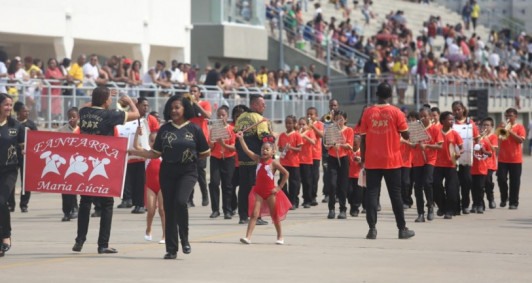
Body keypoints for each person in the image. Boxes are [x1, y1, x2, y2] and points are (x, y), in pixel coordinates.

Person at [129, 94, 210, 260]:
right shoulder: (164, 129)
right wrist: (136, 151)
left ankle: (185, 239)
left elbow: (205, 152)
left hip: (188, 172)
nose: (174, 110)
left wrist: (190, 157)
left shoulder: (194, 128)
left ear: (185, 109)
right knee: (169, 210)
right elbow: (155, 153)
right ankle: (171, 249)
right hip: (167, 172)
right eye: (171, 108)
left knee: (181, 202)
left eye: (177, 107)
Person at [72, 86, 140, 254]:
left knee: (85, 202)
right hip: (103, 163)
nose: (112, 101)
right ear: (105, 101)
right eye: (109, 98)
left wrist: (101, 97)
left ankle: (79, 241)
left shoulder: (85, 111)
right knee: (107, 203)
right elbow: (136, 114)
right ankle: (103, 244)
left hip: (85, 163)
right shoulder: (110, 115)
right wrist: (130, 101)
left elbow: (87, 105)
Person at [359, 82, 415, 239]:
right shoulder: (396, 112)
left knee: (371, 194)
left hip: (372, 160)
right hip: (392, 160)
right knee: (396, 195)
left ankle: (372, 229)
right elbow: (405, 135)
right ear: (390, 95)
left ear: (376, 94)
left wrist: (363, 159)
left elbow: (363, 139)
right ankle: (402, 229)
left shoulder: (368, 113)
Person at [237, 132, 291, 245]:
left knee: (274, 215)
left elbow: (286, 174)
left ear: (273, 152)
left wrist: (279, 188)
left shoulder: (274, 163)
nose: (264, 151)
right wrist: (241, 139)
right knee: (254, 214)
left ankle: (280, 236)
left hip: (271, 192)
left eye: (267, 149)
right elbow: (247, 151)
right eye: (263, 149)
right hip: (258, 192)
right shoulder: (257, 159)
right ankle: (248, 237)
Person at [234, 95, 271, 225]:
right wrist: (272, 137)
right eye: (263, 104)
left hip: (243, 159)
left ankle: (242, 216)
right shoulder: (260, 119)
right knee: (257, 189)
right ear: (254, 104)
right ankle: (257, 216)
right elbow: (265, 138)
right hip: (256, 159)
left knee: (243, 188)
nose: (264, 106)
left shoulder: (240, 118)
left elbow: (236, 137)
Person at [0, 93, 25, 258]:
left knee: (1, 201)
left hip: (9, 170)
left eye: (10, 105)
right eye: (6, 105)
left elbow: (24, 146)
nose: (9, 108)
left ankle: (6, 235)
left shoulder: (16, 126)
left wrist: (24, 150)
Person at [132, 123, 165, 244]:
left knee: (162, 210)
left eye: (156, 141)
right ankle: (148, 229)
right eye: (151, 141)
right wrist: (137, 134)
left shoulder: (164, 154)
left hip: (162, 186)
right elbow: (136, 146)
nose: (153, 143)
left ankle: (164, 235)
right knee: (151, 211)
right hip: (150, 186)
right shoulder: (147, 154)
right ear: (149, 142)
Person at [410, 107, 442, 222]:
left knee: (428, 183)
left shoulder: (434, 129)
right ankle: (420, 213)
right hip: (418, 160)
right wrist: (414, 143)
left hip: (430, 160)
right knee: (417, 186)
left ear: (430, 117)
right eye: (421, 116)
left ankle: (430, 207)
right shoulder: (416, 128)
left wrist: (427, 146)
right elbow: (413, 145)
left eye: (425, 116)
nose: (422, 118)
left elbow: (440, 146)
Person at [7, 102, 37, 213]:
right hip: (12, 155)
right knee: (11, 180)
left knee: (25, 181)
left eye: (28, 111)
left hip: (26, 155)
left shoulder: (31, 124)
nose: (27, 113)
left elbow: (37, 139)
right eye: (24, 111)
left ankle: (24, 204)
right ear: (18, 112)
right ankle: (11, 204)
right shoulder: (12, 123)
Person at [433, 111, 463, 220]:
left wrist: (459, 152)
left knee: (451, 189)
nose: (452, 121)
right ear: (442, 121)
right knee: (436, 186)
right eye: (449, 119)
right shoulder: (436, 132)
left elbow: (461, 147)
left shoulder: (454, 133)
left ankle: (449, 211)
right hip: (437, 164)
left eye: (452, 119)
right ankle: (442, 206)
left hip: (451, 165)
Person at [208, 105, 236, 219]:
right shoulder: (214, 129)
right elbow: (210, 146)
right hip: (216, 158)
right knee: (214, 183)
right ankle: (215, 209)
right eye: (218, 115)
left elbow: (234, 147)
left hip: (228, 158)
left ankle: (227, 210)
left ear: (227, 116)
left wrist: (223, 144)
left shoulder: (232, 129)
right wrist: (212, 142)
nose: (220, 117)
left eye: (223, 115)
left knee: (228, 185)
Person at [452, 101, 479, 215]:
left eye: (459, 109)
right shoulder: (451, 122)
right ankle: (456, 206)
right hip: (454, 157)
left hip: (467, 158)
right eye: (455, 110)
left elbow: (477, 138)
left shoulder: (470, 123)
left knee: (466, 182)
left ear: (463, 109)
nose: (457, 111)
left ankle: (465, 205)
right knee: (455, 183)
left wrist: (473, 146)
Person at [325, 111, 353, 219]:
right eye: (336, 119)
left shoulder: (349, 130)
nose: (338, 121)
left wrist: (340, 144)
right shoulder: (331, 130)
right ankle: (331, 209)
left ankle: (342, 209)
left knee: (343, 185)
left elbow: (350, 146)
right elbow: (327, 146)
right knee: (332, 184)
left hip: (343, 159)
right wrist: (332, 145)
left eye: (341, 119)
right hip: (332, 158)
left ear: (345, 120)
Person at [497, 108, 525, 209]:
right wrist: (501, 130)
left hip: (515, 159)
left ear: (515, 117)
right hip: (502, 159)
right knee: (501, 179)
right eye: (506, 116)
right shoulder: (503, 127)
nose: (508, 118)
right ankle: (504, 197)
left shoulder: (520, 127)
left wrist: (510, 131)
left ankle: (513, 203)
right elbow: (499, 140)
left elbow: (520, 140)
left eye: (510, 116)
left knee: (515, 182)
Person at [188, 85, 212, 207]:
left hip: (202, 142)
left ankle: (205, 195)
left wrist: (195, 103)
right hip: (189, 141)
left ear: (199, 93)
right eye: (191, 91)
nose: (192, 93)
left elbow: (208, 115)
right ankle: (189, 199)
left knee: (200, 171)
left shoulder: (205, 103)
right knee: (189, 170)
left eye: (195, 91)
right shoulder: (187, 104)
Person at [57, 107, 80, 221]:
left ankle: (75, 208)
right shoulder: (62, 130)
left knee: (75, 187)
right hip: (65, 164)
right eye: (69, 117)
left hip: (78, 164)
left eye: (74, 117)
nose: (71, 119)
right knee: (65, 189)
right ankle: (66, 212)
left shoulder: (82, 130)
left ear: (78, 117)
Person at [278, 115, 303, 209]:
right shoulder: (282, 135)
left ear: (294, 124)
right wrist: (283, 148)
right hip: (284, 162)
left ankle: (294, 201)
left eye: (290, 123)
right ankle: (287, 200)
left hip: (294, 163)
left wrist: (291, 148)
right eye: (287, 123)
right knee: (282, 182)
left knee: (294, 183)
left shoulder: (297, 135)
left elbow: (300, 148)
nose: (288, 125)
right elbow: (280, 148)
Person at [297, 117, 316, 208]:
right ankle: (295, 200)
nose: (301, 126)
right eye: (300, 124)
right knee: (297, 181)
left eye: (303, 124)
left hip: (307, 160)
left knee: (307, 182)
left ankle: (307, 200)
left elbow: (313, 142)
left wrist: (305, 136)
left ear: (307, 125)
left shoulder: (310, 132)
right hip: (297, 161)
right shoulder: (296, 133)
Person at [307, 107, 323, 206]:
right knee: (307, 177)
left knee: (315, 176)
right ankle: (307, 197)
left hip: (315, 154)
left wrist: (313, 127)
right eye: (308, 114)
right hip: (306, 155)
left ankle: (313, 196)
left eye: (311, 114)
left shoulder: (319, 124)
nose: (309, 116)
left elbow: (321, 135)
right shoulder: (305, 125)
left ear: (316, 115)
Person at [347, 135, 364, 217]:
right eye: (352, 144)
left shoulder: (362, 153)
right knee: (349, 192)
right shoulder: (348, 152)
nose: (353, 146)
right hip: (349, 176)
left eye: (355, 144)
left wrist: (360, 161)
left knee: (358, 193)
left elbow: (365, 165)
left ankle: (355, 208)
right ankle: (352, 205)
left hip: (359, 176)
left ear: (360, 144)